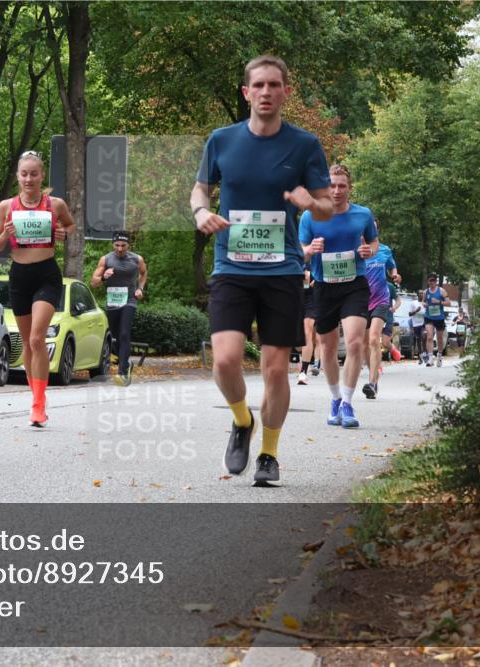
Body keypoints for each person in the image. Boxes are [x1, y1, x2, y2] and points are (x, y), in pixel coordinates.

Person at [190, 54, 334, 487]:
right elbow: (201, 187)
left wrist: (312, 204)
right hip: (231, 266)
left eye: (275, 85)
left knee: (274, 370)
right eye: (259, 85)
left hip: (282, 270)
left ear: (286, 92)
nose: (267, 92)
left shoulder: (305, 145)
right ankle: (241, 421)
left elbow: (327, 207)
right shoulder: (222, 140)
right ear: (246, 92)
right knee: (226, 361)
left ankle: (269, 454)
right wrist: (200, 212)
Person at [0, 150, 74, 426]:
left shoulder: (55, 204)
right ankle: (36, 394)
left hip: (46, 274)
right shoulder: (6, 206)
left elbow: (71, 226)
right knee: (27, 343)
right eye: (24, 174)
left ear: (42, 175)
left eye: (33, 174)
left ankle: (38, 405)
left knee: (38, 339)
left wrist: (63, 233)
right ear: (18, 176)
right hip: (19, 276)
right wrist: (5, 234)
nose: (29, 179)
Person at [299, 164, 378, 428]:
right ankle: (334, 399)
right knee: (329, 348)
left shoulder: (363, 214)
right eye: (331, 185)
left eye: (341, 185)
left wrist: (369, 251)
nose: (336, 190)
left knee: (355, 343)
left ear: (349, 188)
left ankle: (347, 402)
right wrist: (310, 248)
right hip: (324, 287)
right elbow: (301, 250)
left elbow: (374, 242)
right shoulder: (310, 216)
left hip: (354, 284)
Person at [90, 231, 147, 386]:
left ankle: (122, 371)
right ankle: (124, 362)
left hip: (129, 301)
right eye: (117, 245)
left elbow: (144, 273)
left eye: (123, 245)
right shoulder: (106, 259)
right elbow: (93, 283)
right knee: (115, 336)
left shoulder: (137, 259)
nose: (120, 249)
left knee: (124, 334)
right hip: (112, 302)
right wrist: (103, 277)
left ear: (128, 245)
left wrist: (140, 288)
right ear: (113, 244)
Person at [362, 231, 399, 399]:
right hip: (361, 300)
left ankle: (372, 382)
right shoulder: (357, 250)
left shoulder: (384, 250)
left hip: (381, 300)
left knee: (373, 338)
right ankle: (374, 377)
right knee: (363, 344)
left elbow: (392, 268)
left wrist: (395, 275)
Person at [422, 274, 451, 367]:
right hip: (429, 317)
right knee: (429, 336)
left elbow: (449, 303)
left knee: (439, 338)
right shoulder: (426, 292)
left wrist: (439, 302)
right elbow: (423, 301)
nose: (432, 282)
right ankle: (430, 358)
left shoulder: (441, 291)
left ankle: (439, 355)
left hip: (439, 318)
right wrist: (424, 304)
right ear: (428, 282)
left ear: (436, 281)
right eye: (430, 281)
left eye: (434, 281)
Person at [297, 264, 319, 385]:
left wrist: (314, 280)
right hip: (294, 300)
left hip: (310, 300)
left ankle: (303, 372)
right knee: (298, 345)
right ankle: (304, 358)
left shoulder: (312, 261)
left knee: (307, 331)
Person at [408, 298, 426, 364]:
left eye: (422, 294)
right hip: (416, 324)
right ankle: (420, 356)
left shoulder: (425, 303)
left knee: (424, 336)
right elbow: (409, 314)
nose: (421, 295)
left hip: (424, 323)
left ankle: (424, 352)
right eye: (419, 294)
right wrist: (416, 311)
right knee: (418, 340)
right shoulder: (413, 303)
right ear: (418, 295)